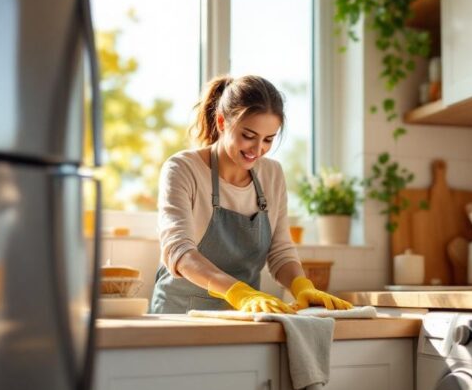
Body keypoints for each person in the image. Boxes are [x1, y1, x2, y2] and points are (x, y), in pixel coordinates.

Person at [150, 74, 353, 314]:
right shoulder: (183, 169)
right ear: (222, 121)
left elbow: (280, 251)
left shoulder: (272, 174)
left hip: (243, 317)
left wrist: (301, 286)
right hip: (179, 315)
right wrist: (239, 292)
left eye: (268, 139)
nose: (258, 149)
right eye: (248, 136)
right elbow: (179, 252)